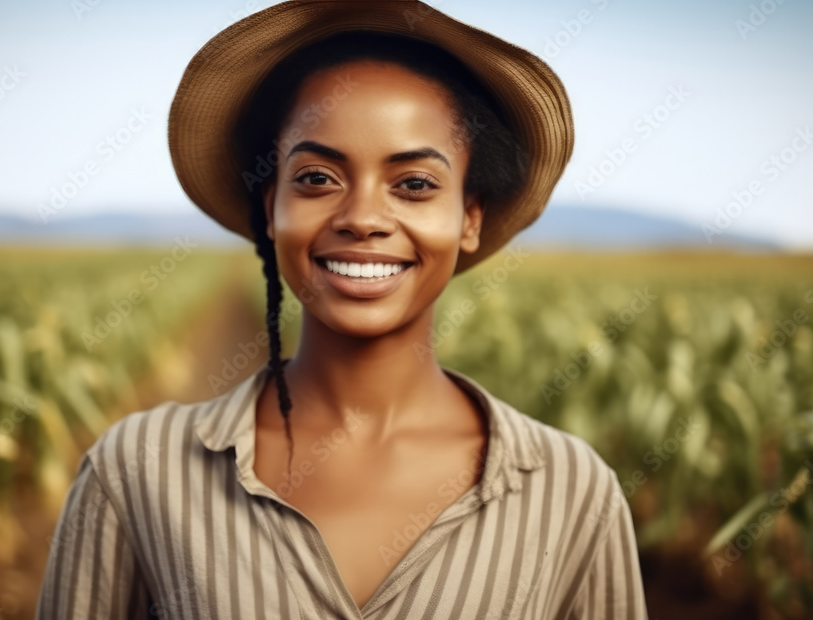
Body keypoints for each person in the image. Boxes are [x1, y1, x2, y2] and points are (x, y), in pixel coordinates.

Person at [37, 1, 648, 618]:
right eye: (317, 178)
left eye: (413, 184)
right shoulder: (136, 472)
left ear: (469, 217)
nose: (361, 218)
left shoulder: (572, 490)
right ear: (270, 206)